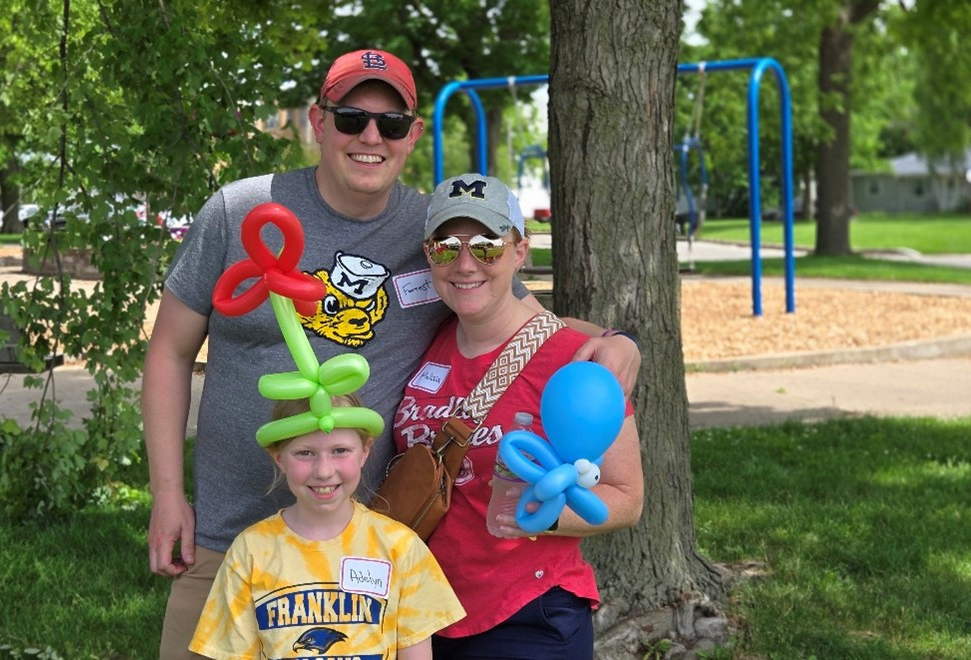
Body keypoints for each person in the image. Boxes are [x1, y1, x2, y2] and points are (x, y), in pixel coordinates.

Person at [142, 48, 640, 659]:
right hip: (225, 535)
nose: (370, 136)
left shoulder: (431, 233)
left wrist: (619, 344)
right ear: (318, 121)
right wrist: (167, 493)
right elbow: (168, 352)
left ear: (412, 135)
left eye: (391, 123)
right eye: (351, 118)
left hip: (359, 553)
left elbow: (523, 315)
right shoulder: (242, 211)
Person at [391, 173, 645, 658]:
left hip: (526, 614)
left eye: (487, 245)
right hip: (422, 616)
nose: (465, 263)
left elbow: (627, 497)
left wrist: (540, 518)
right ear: (429, 255)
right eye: (446, 246)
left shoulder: (576, 360)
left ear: (519, 251)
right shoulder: (429, 339)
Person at [188, 394, 464, 659]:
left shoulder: (400, 547)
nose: (323, 470)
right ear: (279, 458)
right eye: (305, 453)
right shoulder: (251, 551)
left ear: (365, 452)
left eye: (340, 451)